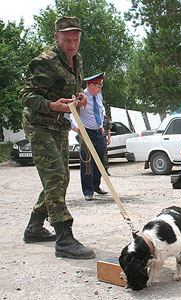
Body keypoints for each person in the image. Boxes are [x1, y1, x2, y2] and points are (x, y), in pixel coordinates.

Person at [19, 16, 95, 259]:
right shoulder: (45, 62)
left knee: (61, 178)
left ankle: (34, 228)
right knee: (55, 177)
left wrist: (80, 98)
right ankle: (64, 238)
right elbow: (25, 95)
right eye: (67, 40)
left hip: (58, 124)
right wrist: (53, 105)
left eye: (76, 39)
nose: (72, 45)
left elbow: (74, 89)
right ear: (56, 38)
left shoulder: (77, 59)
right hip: (39, 124)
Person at [79, 72, 108, 201]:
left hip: (98, 132)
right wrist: (76, 127)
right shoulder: (82, 96)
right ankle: (88, 191)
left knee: (100, 161)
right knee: (87, 163)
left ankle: (96, 186)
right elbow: (70, 113)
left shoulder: (98, 96)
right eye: (98, 87)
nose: (100, 89)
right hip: (86, 132)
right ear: (91, 85)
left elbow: (101, 111)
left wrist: (101, 125)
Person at [102, 102, 112, 176]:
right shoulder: (94, 117)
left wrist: (109, 138)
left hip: (103, 138)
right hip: (95, 137)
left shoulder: (105, 118)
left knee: (105, 155)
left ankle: (105, 169)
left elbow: (108, 129)